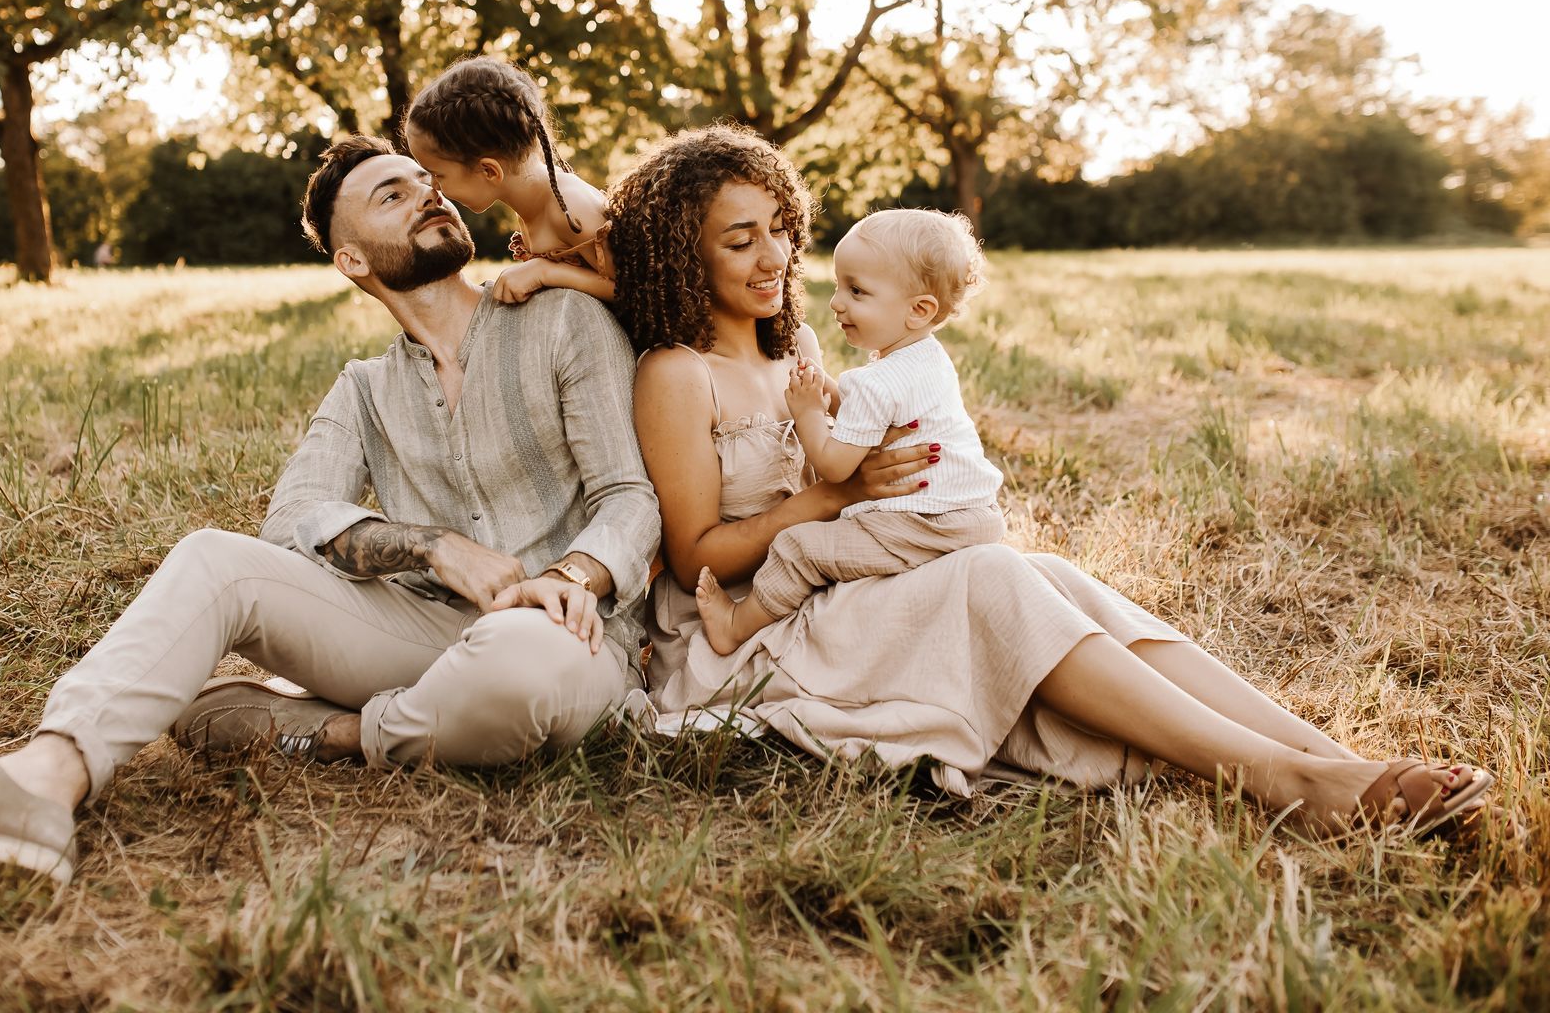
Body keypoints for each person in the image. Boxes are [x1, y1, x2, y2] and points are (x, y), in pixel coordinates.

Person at [0, 136, 660, 888]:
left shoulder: (559, 323)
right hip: (424, 628)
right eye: (391, 194)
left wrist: (568, 573)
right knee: (213, 558)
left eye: (427, 183)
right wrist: (435, 549)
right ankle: (40, 785)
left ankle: (339, 732)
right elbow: (293, 517)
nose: (428, 194)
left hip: (566, 633)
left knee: (520, 675)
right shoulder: (364, 388)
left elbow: (629, 497)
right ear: (352, 261)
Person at [606, 123, 1493, 837]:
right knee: (993, 576)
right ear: (686, 253)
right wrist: (834, 496)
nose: (776, 258)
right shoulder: (675, 374)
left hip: (842, 580)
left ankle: (1333, 757)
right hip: (747, 632)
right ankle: (1280, 779)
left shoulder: (794, 347)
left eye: (781, 230)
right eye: (740, 239)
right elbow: (694, 562)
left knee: (1044, 573)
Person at [693, 208, 1007, 656]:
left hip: (922, 523)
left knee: (799, 548)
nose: (837, 302)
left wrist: (806, 412)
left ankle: (734, 625)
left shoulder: (875, 382)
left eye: (857, 291)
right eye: (840, 285)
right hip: (972, 514)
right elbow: (876, 415)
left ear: (919, 310)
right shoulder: (928, 358)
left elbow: (837, 468)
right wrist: (832, 394)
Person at [402, 57, 616, 305]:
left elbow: (635, 292)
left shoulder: (569, 207)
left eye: (438, 175)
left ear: (489, 171)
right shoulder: (529, 201)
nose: (433, 187)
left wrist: (544, 272)